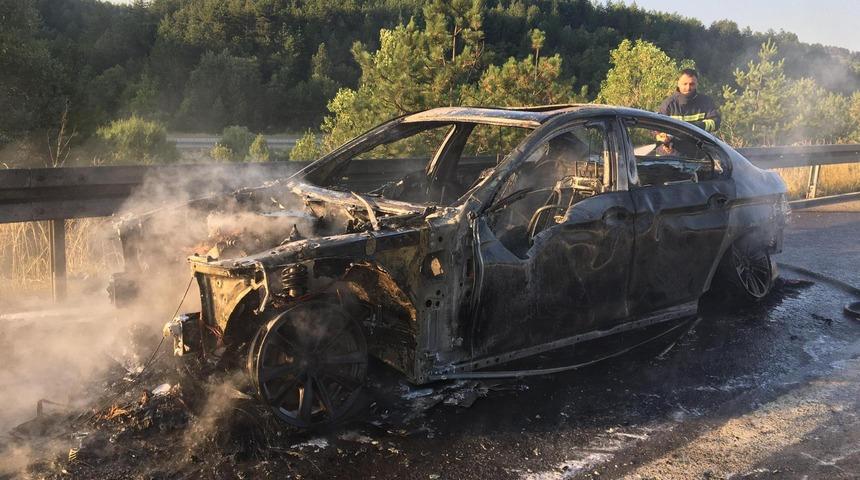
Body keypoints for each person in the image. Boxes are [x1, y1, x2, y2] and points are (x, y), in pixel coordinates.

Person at [658, 68, 720, 133]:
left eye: (692, 84)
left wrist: (697, 127)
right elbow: (658, 126)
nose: (688, 88)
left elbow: (715, 122)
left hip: (698, 142)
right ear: (678, 84)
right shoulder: (668, 104)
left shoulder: (706, 102)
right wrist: (662, 136)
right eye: (685, 84)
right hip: (674, 143)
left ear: (697, 84)